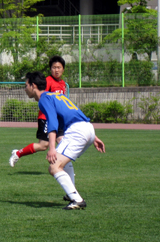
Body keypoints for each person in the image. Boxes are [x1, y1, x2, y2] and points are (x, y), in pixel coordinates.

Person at [24, 71, 105, 210]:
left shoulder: (44, 99)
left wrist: (51, 148)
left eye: (26, 85)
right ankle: (70, 194)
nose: (25, 89)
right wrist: (94, 137)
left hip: (77, 131)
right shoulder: (57, 95)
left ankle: (77, 200)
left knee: (54, 166)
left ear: (33, 86)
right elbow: (76, 113)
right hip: (87, 128)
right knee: (63, 161)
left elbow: (52, 123)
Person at [9, 56, 67, 168]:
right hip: (46, 117)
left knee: (62, 142)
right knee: (43, 145)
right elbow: (42, 97)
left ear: (63, 69)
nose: (56, 70)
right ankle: (18, 153)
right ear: (50, 69)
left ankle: (65, 170)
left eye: (59, 67)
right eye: (54, 67)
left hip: (57, 118)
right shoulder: (48, 81)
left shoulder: (63, 83)